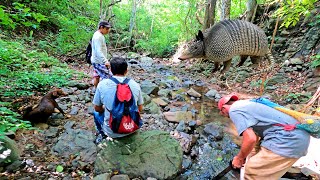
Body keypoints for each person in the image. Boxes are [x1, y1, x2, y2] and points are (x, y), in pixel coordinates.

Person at [218, 93, 310, 179]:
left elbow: (250, 139)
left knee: (252, 171)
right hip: (298, 136)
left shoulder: (234, 110)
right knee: (251, 157)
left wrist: (239, 158)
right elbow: (256, 135)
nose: (227, 117)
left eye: (224, 115)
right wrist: (246, 155)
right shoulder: (248, 104)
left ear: (223, 109)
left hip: (288, 140)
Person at [92, 57, 144, 143]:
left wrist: (107, 109)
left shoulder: (102, 84)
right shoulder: (135, 84)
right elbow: (140, 109)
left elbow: (97, 108)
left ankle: (102, 134)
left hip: (112, 131)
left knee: (96, 113)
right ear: (126, 70)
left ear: (111, 70)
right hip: (133, 128)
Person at [91, 20, 112, 91]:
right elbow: (98, 51)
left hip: (95, 60)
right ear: (101, 27)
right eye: (107, 29)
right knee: (109, 76)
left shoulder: (98, 34)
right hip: (99, 61)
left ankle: (96, 90)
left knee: (97, 76)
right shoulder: (98, 37)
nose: (108, 30)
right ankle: (105, 91)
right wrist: (105, 61)